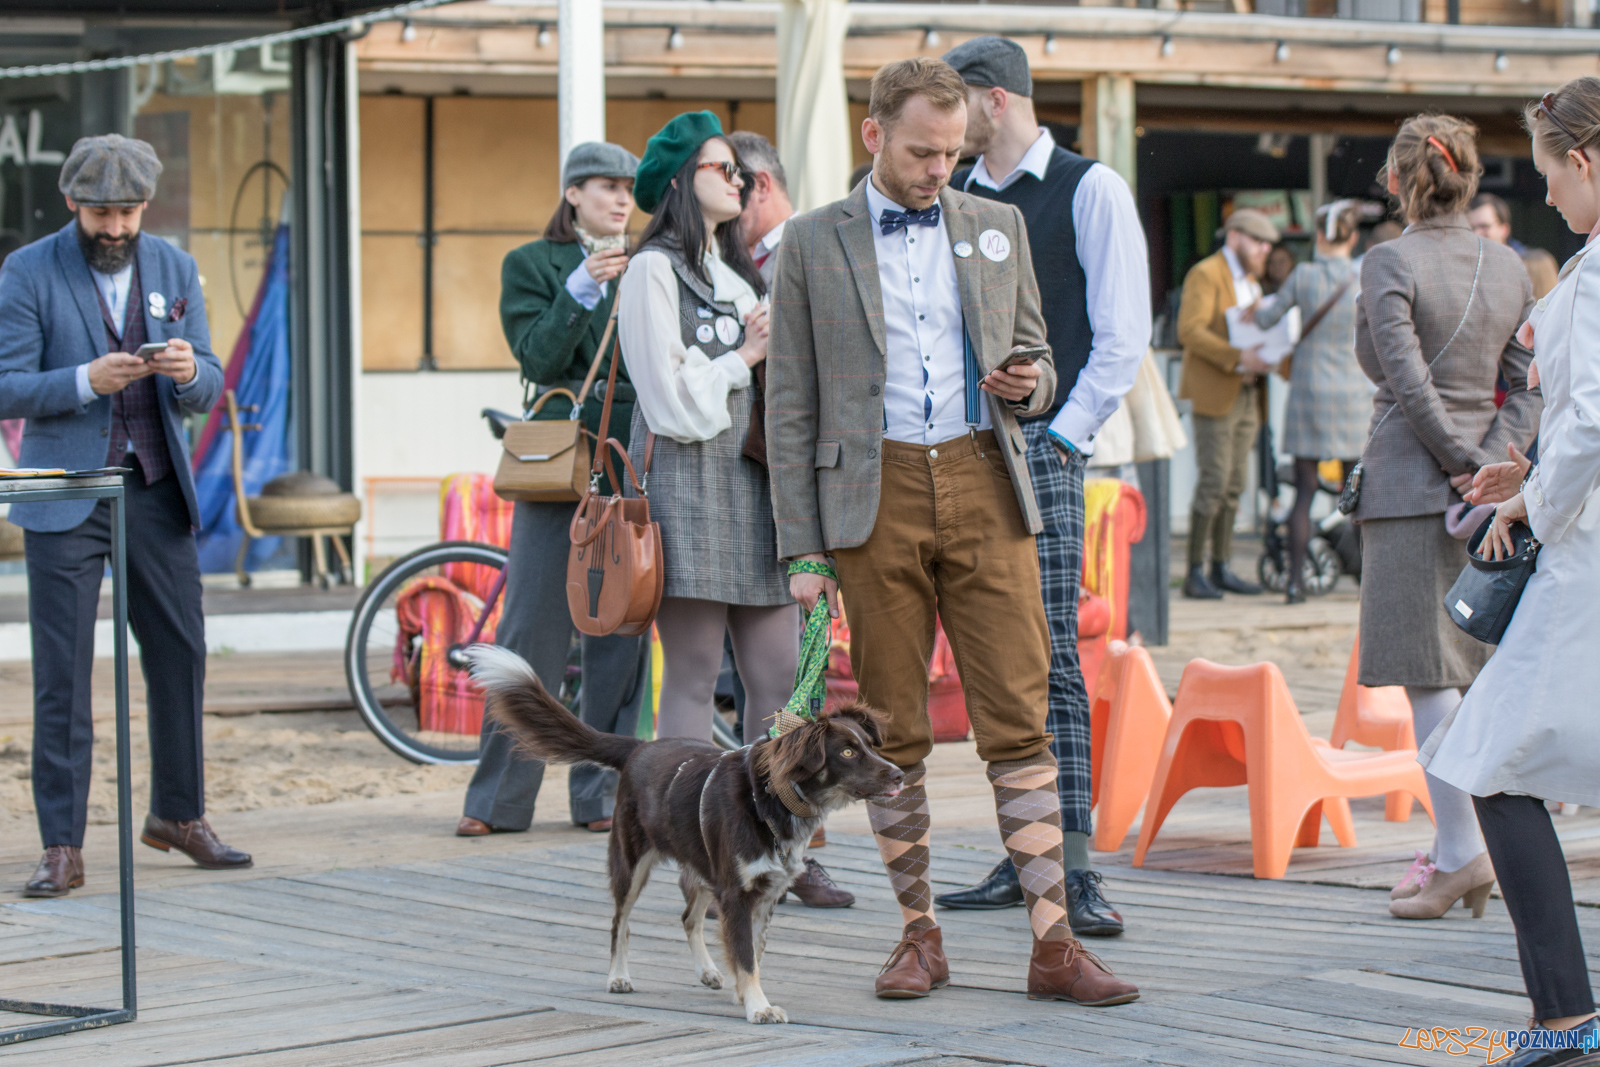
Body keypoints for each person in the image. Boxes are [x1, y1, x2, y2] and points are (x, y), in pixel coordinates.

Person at [768, 56, 1139, 1006]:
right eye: (923, 152)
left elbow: (1044, 355)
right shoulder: (809, 241)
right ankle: (918, 934)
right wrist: (802, 548)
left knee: (1019, 717)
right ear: (874, 136)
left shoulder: (999, 224)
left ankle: (1054, 943)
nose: (941, 170)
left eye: (953, 153)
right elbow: (791, 403)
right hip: (872, 493)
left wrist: (1033, 384)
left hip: (985, 473)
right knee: (891, 728)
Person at [930, 35, 1149, 937]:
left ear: (990, 101)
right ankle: (1025, 852)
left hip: (1045, 450)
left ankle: (1079, 866)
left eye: (950, 106)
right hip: (954, 456)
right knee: (995, 660)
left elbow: (1121, 334)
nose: (939, 127)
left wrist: (1059, 437)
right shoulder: (957, 196)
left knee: (1054, 656)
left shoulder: (1090, 186)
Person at [0, 134, 249, 897]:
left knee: (181, 651)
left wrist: (186, 373)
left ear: (146, 206)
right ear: (72, 202)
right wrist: (83, 379)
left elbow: (209, 378)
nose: (114, 228)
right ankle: (62, 844)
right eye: (101, 212)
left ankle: (179, 813)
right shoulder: (26, 269)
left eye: (128, 212)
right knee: (63, 674)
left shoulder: (173, 264)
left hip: (152, 484)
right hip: (65, 489)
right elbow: (8, 386)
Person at [1421, 78, 1600, 1063]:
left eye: (1546, 175)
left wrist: (1527, 500)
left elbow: (1591, 421)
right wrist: (1533, 473)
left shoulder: (1595, 276)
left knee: (1488, 759)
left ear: (1582, 162)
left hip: (1585, 558)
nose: (1549, 199)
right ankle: (1562, 1010)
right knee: (1496, 754)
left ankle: (1564, 1013)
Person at [1354, 113, 1538, 921]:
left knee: (1428, 676)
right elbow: (1527, 384)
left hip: (1406, 484)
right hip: (1488, 495)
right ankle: (1466, 845)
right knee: (1477, 669)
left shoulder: (1387, 259)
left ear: (1398, 182)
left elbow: (1402, 378)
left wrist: (1460, 466)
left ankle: (1462, 852)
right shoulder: (1510, 265)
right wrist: (1490, 467)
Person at [457, 143, 652, 839]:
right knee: (532, 625)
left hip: (631, 453)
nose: (621, 200)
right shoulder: (532, 265)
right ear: (572, 193)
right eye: (605, 187)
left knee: (620, 630)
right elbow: (536, 358)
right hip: (559, 453)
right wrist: (582, 291)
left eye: (628, 188)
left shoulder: (650, 262)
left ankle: (600, 795)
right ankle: (497, 799)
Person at [726, 128, 854, 909]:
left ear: (760, 186)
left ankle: (806, 847)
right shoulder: (724, 265)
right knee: (783, 674)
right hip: (755, 484)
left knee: (805, 673)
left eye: (728, 182)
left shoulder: (820, 248)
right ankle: (770, 840)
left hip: (819, 489)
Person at [1252, 200, 1371, 604]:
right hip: (1354, 393)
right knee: (1358, 491)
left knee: (1302, 492)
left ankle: (1294, 583)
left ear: (1319, 235)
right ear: (1352, 237)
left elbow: (1267, 320)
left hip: (1308, 391)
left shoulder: (1302, 275)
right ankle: (1368, 583)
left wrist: (1254, 307)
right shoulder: (1364, 276)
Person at [1177, 208, 1281, 599]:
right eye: (1258, 242)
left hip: (1247, 394)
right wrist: (1239, 357)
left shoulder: (1252, 283)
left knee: (1235, 485)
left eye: (1268, 244)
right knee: (1214, 482)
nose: (1265, 249)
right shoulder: (1206, 273)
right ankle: (1194, 571)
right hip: (1216, 391)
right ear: (1234, 237)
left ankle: (1220, 566)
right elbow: (1189, 330)